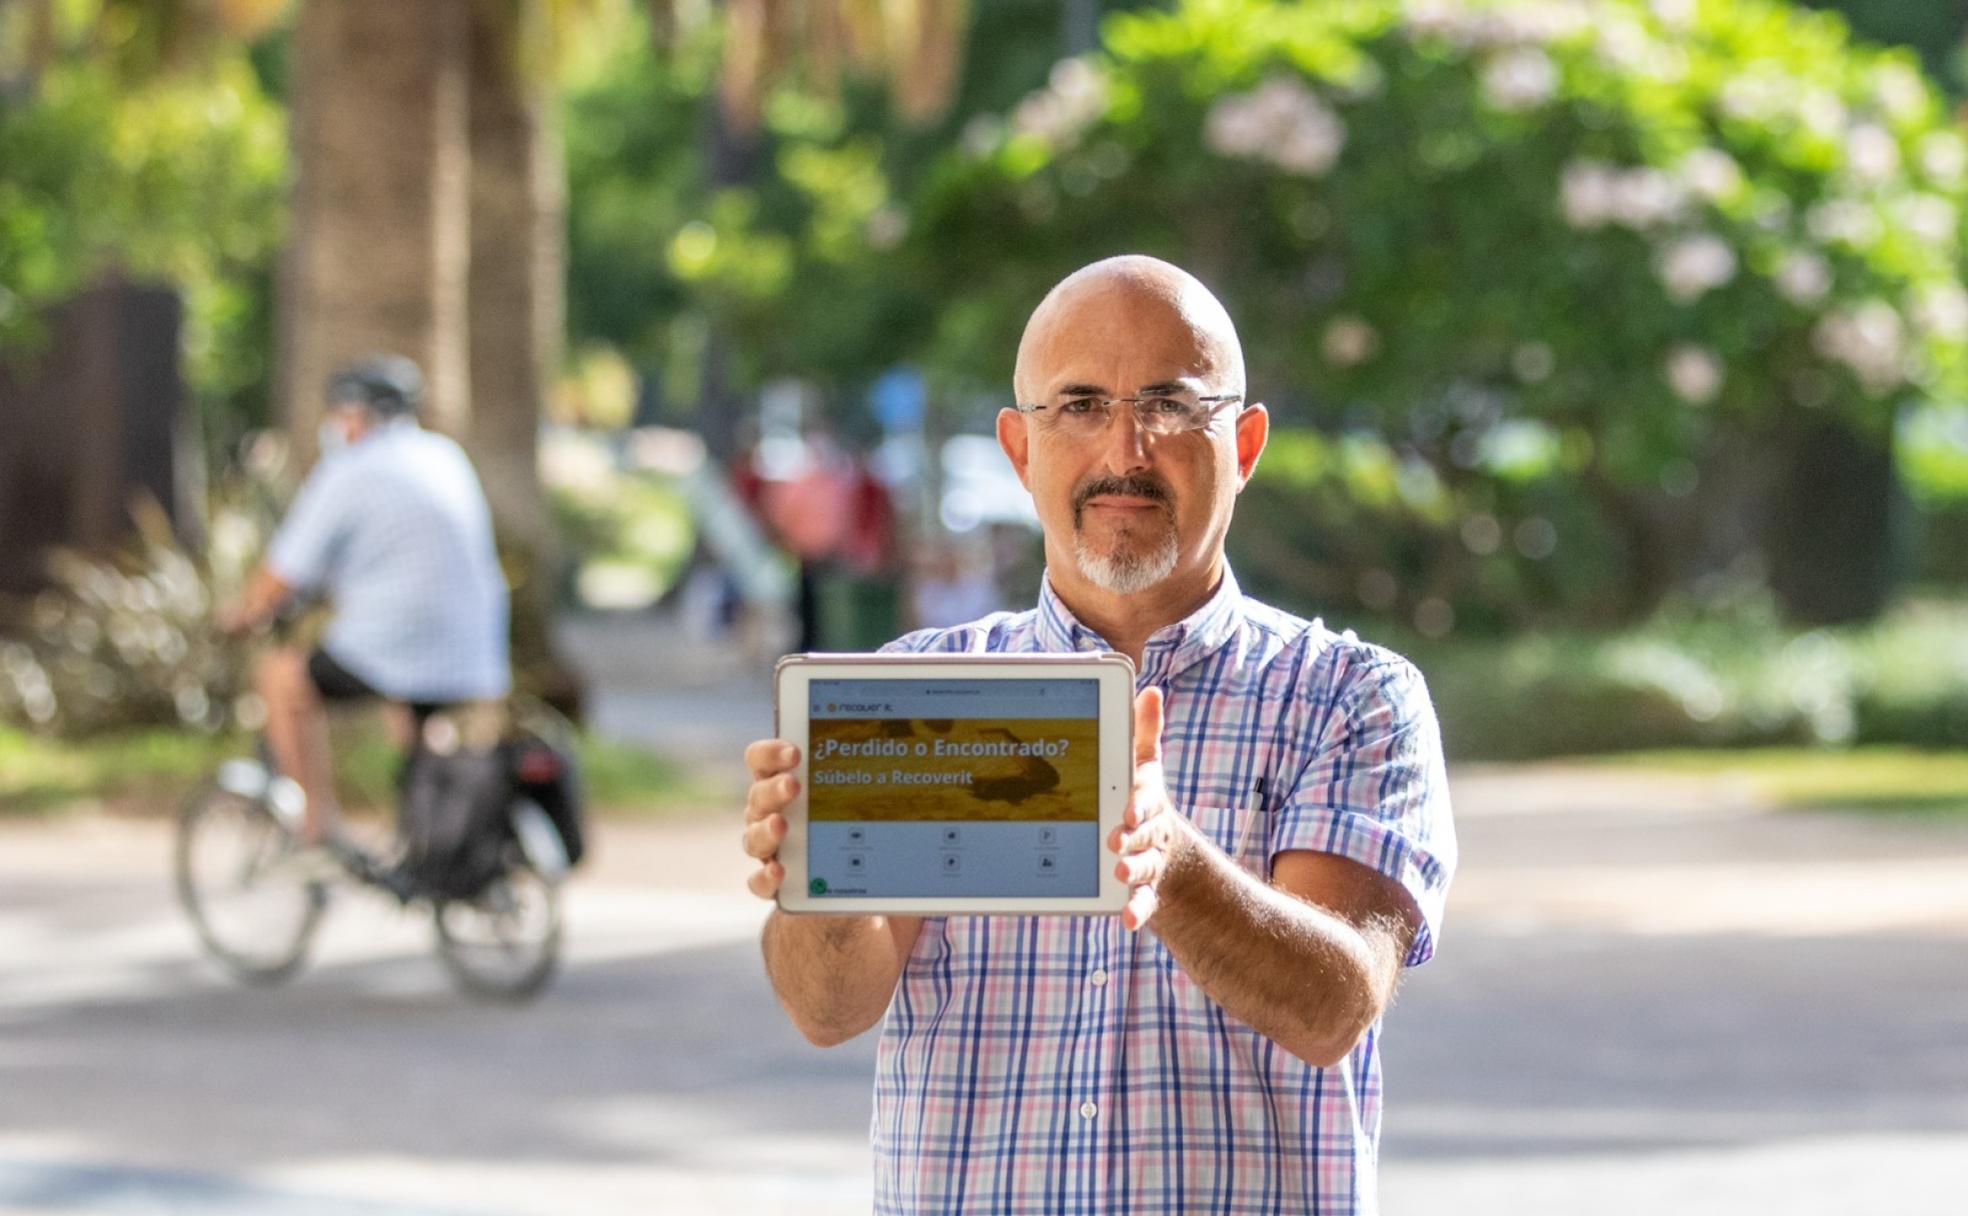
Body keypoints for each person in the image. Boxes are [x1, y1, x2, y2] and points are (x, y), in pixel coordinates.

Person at [739, 256, 1457, 1214]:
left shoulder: (1350, 698)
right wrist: (815, 881)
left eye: (1170, 403)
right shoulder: (919, 692)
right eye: (1078, 404)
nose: (1126, 448)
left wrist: (1169, 861)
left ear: (1243, 445)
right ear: (1019, 448)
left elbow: (1334, 1008)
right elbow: (828, 1010)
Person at [220, 355, 511, 847]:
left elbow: (282, 572)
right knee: (412, 705)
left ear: (354, 414)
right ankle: (427, 827)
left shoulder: (351, 469)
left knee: (280, 676)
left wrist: (242, 616)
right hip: (476, 647)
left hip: (402, 642)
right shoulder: (444, 455)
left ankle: (316, 824)